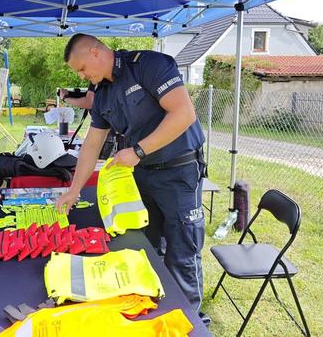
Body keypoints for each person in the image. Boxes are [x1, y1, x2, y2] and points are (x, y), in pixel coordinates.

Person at [55, 34, 208, 323]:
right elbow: (91, 144)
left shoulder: (149, 65)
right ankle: (157, 315)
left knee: (182, 251)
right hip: (144, 176)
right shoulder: (102, 95)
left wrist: (138, 151)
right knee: (148, 247)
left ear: (97, 52)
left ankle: (191, 322)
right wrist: (74, 190)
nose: (81, 76)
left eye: (82, 68)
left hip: (179, 173)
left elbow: (184, 113)